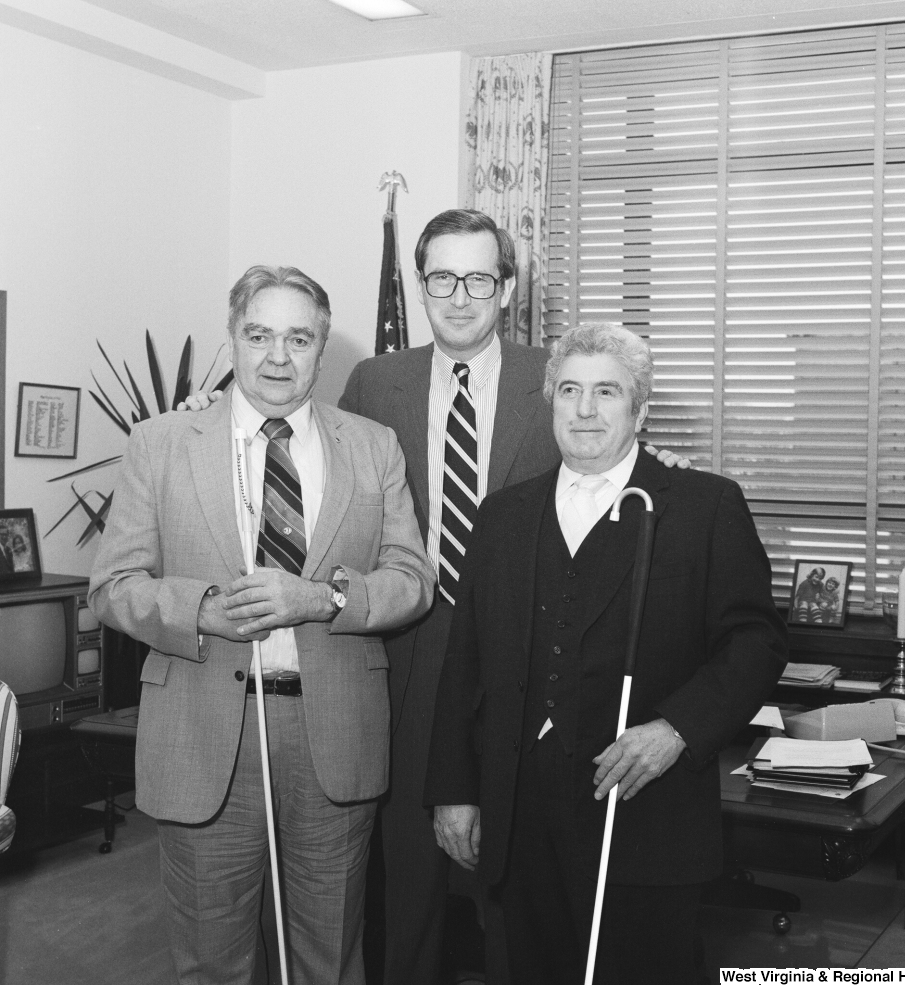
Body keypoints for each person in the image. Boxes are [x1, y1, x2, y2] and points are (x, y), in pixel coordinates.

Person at [181, 210, 687, 984]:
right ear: (420, 287)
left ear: (507, 288)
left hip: (526, 661)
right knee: (403, 880)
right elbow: (299, 438)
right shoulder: (375, 380)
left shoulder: (550, 377)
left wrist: (663, 467)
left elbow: (606, 453)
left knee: (521, 887)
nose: (459, 296)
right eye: (441, 278)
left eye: (478, 277)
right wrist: (202, 416)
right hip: (405, 659)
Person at [89, 265, 436, 985]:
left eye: (299, 338)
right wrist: (201, 610)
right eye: (260, 335)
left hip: (332, 737)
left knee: (329, 962)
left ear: (321, 349)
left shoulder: (372, 446)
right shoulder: (161, 442)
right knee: (211, 964)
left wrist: (326, 602)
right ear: (234, 338)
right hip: (203, 735)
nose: (279, 356)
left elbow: (412, 580)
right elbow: (113, 587)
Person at [424, 323, 788, 985]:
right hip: (520, 817)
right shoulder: (501, 516)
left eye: (606, 391)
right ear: (551, 403)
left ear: (639, 409)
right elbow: (464, 662)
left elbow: (756, 643)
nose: (586, 409)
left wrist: (676, 729)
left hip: (644, 812)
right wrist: (454, 790)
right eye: (570, 390)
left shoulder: (704, 507)